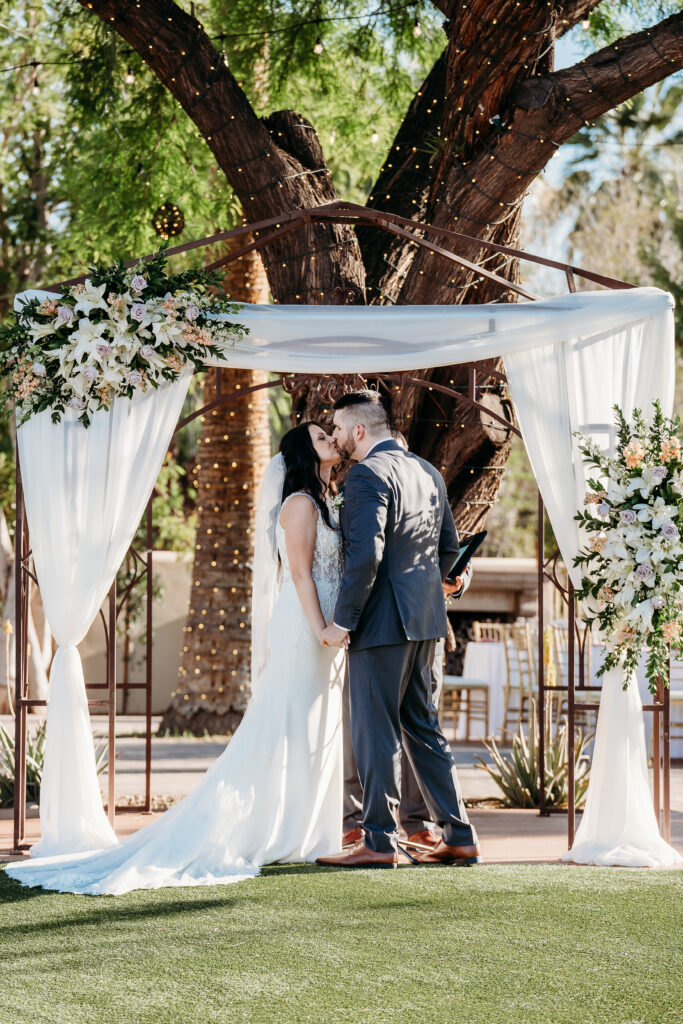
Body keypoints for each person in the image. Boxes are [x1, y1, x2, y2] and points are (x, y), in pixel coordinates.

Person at [5, 423, 346, 895]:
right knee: (285, 723)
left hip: (326, 631)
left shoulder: (327, 501)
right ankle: (277, 829)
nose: (330, 438)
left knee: (308, 726)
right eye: (321, 437)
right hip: (307, 627)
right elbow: (303, 577)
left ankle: (305, 829)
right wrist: (322, 628)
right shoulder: (301, 505)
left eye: (330, 433)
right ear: (304, 453)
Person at [317, 390, 480, 868]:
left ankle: (379, 840)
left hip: (382, 623)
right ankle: (460, 834)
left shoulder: (368, 473)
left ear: (360, 430)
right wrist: (456, 580)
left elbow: (366, 554)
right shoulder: (427, 471)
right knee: (424, 729)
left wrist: (342, 621)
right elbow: (450, 551)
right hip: (428, 621)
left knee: (375, 730)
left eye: (340, 428)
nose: (338, 436)